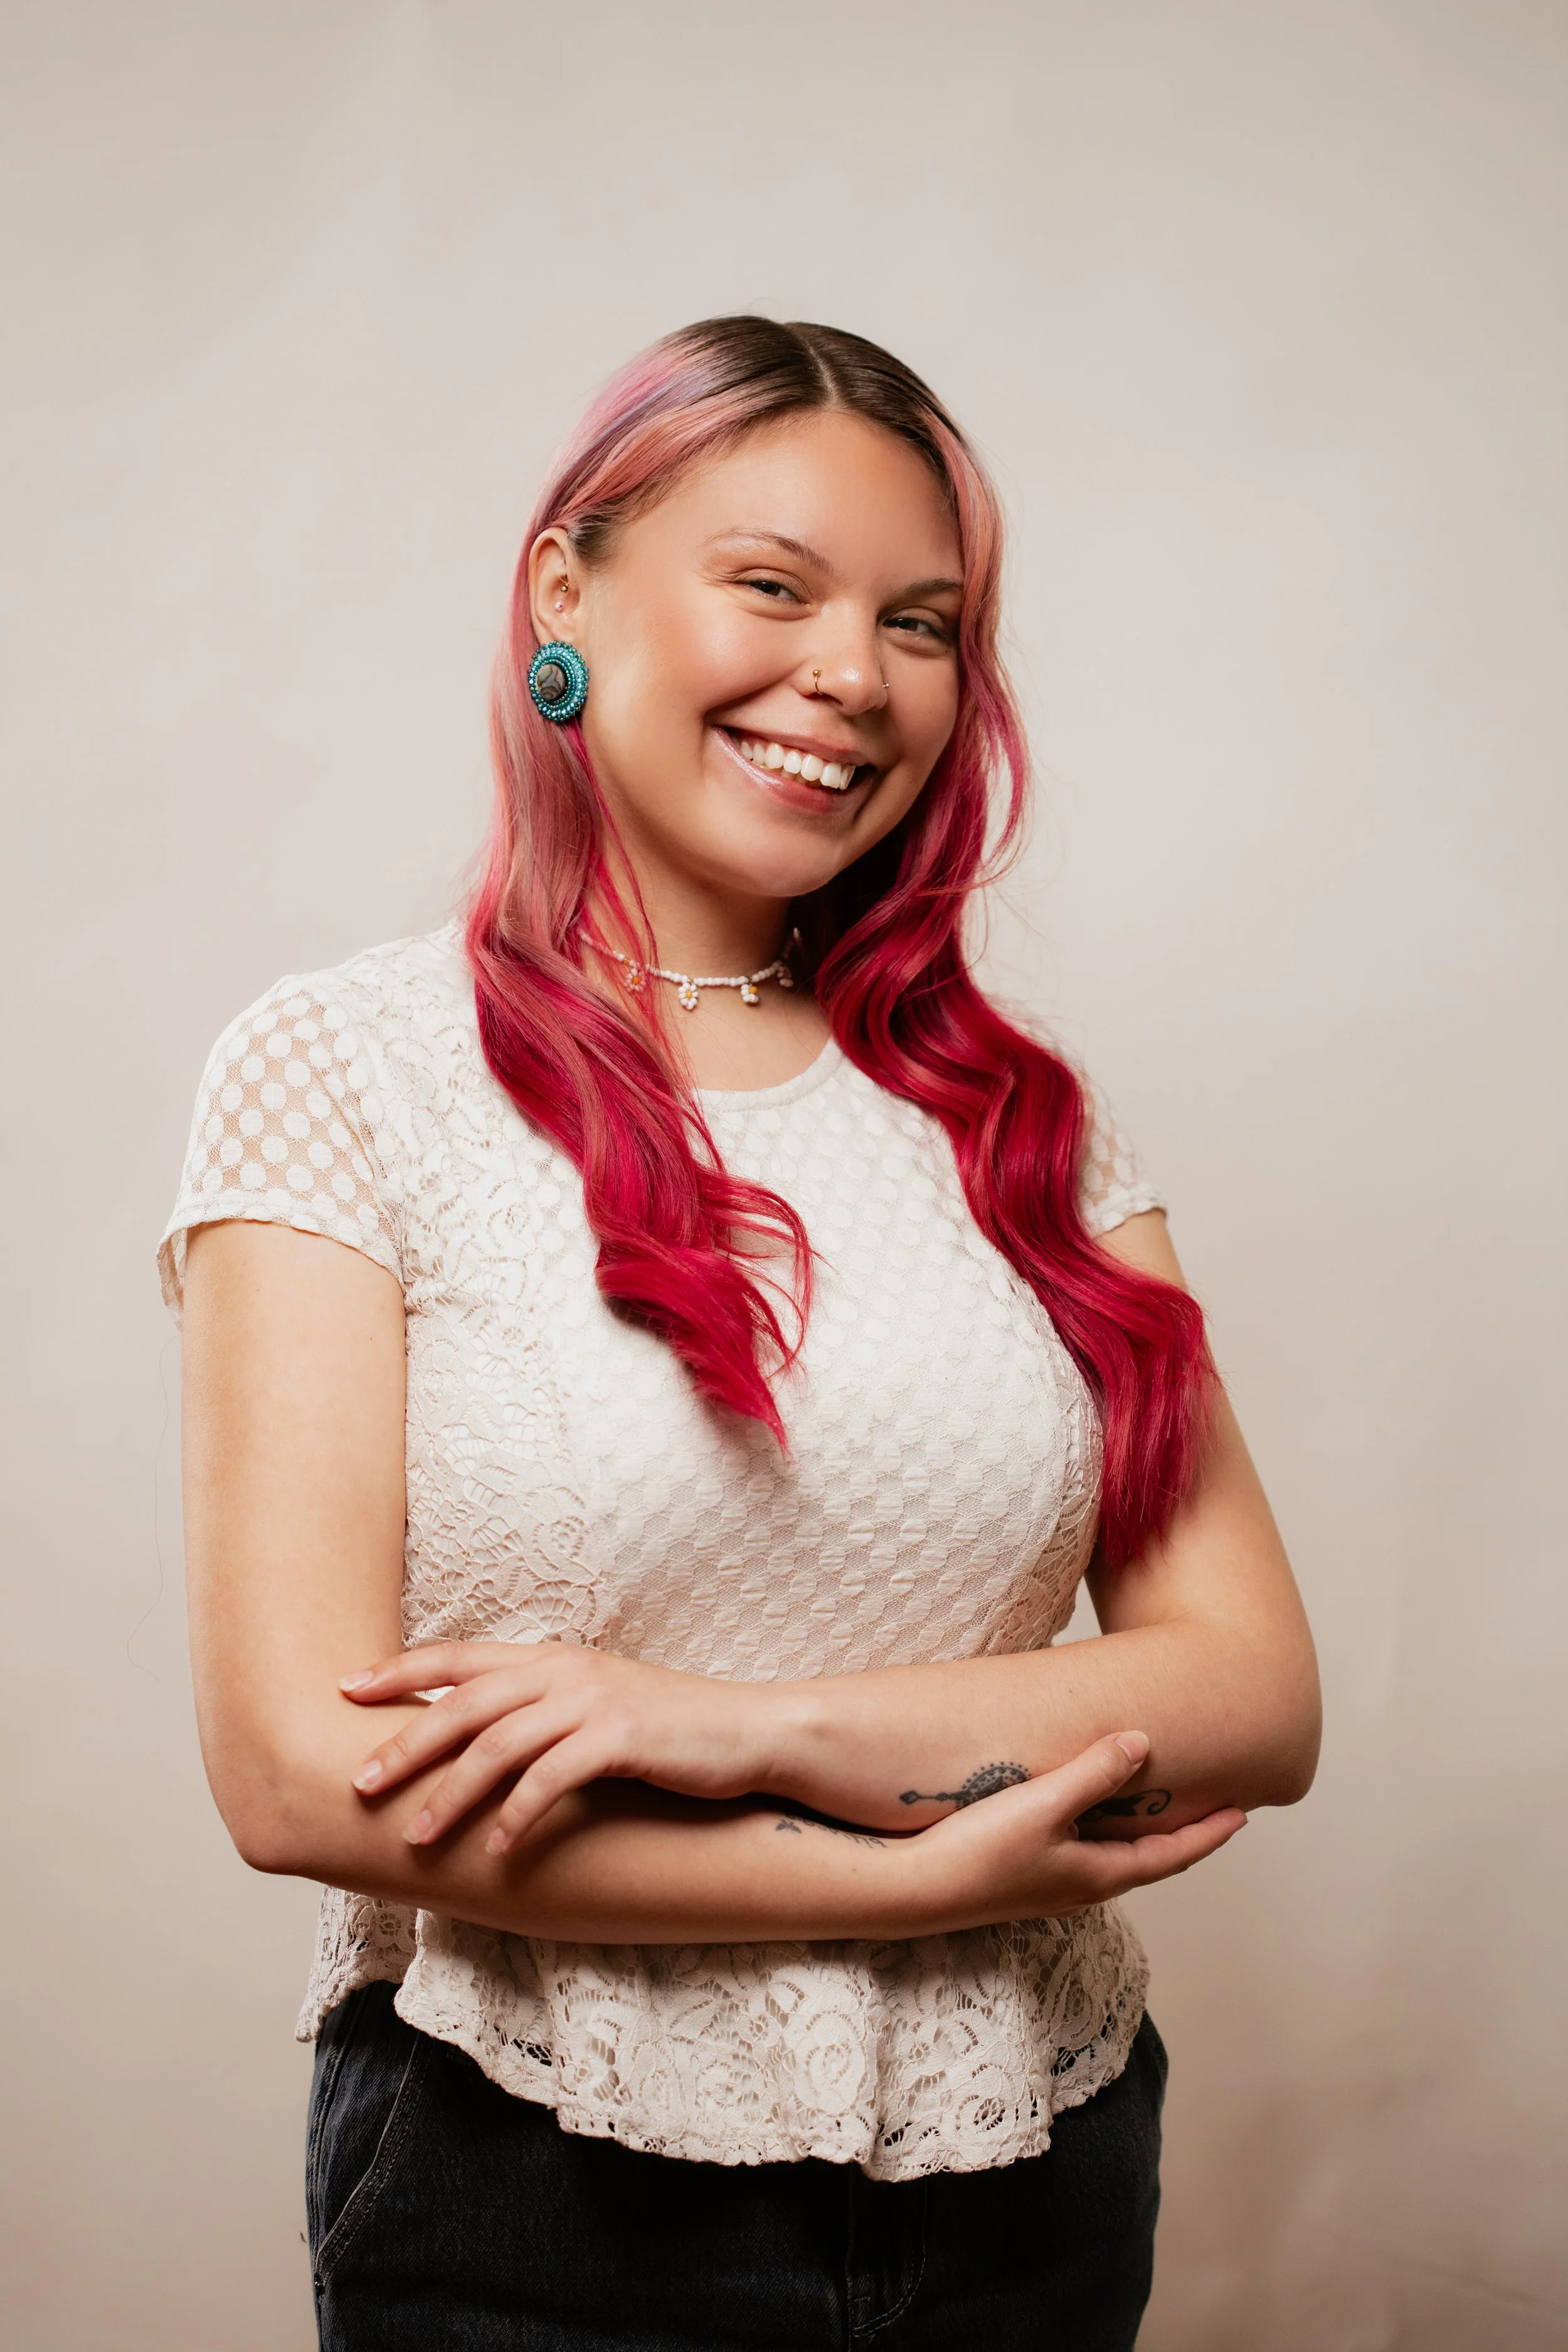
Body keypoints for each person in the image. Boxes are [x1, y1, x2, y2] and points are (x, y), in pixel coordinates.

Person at [161, 315, 1320, 2352]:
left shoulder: (1022, 1121)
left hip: (1032, 2166)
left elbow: (1248, 1693)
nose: (854, 675)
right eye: (773, 586)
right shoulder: (345, 1071)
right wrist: (903, 1877)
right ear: (564, 590)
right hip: (539, 2180)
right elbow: (299, 1776)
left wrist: (730, 1728)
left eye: (920, 622)